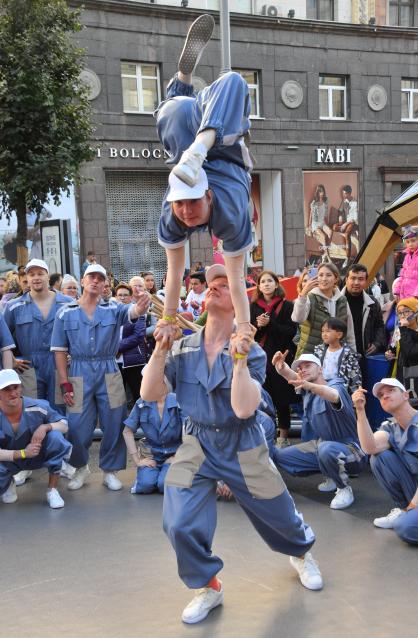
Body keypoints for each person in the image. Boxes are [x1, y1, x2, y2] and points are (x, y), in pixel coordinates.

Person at [141, 262, 322, 626]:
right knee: (177, 522)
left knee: (278, 511)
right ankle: (207, 585)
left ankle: (301, 553)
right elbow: (150, 392)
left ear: (241, 299)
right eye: (210, 284)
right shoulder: (185, 347)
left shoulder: (251, 351)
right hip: (196, 442)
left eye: (224, 284)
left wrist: (239, 362)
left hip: (242, 442)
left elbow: (243, 408)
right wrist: (160, 350)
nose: (213, 288)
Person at [154, 14, 254, 356]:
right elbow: (173, 271)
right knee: (174, 110)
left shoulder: (230, 210)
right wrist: (167, 317)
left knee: (235, 82)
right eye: (179, 204)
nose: (185, 212)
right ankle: (183, 80)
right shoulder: (173, 212)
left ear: (207, 196)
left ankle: (198, 143)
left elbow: (238, 279)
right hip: (195, 153)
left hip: (220, 153)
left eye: (192, 204)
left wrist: (244, 327)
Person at [51, 264, 150, 492]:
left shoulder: (113, 308)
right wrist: (64, 383)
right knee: (76, 424)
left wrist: (141, 306)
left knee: (114, 420)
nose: (95, 281)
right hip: (78, 370)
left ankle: (110, 471)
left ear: (105, 283)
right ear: (83, 281)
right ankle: (80, 467)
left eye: (100, 278)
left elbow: (132, 312)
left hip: (109, 369)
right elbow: (58, 350)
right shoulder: (65, 312)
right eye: (91, 277)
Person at [272, 352, 367, 509]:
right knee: (280, 455)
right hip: (323, 445)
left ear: (321, 369)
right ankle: (331, 473)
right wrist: (281, 368)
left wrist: (310, 386)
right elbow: (293, 377)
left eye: (308, 366)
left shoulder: (336, 385)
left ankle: (343, 488)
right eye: (300, 368)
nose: (303, 370)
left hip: (352, 450)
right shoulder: (307, 389)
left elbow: (333, 395)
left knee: (326, 449)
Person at [352, 379, 418, 545]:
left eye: (391, 390)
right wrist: (360, 411)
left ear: (406, 395)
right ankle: (404, 510)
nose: (384, 395)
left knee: (406, 528)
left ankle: (409, 514)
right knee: (380, 458)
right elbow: (370, 448)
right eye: (380, 395)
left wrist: (412, 507)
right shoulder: (390, 426)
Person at [4, 259, 72, 412]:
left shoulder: (68, 304)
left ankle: (58, 437)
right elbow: (3, 338)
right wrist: (12, 360)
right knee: (33, 411)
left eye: (40, 273)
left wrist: (74, 354)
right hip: (28, 367)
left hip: (59, 365)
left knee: (60, 410)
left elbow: (80, 334)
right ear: (26, 279)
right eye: (32, 274)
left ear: (48, 277)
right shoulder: (14, 306)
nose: (36, 277)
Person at [0, 369, 71, 509]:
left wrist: (46, 427)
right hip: (9, 460)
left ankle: (52, 490)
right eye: (6, 389)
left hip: (38, 455)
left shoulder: (38, 406)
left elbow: (64, 425)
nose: (13, 393)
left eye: (16, 387)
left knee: (56, 437)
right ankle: (8, 482)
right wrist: (22, 453)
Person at [250, 270, 298, 447]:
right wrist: (259, 326)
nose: (266, 284)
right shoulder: (253, 306)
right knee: (262, 397)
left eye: (270, 281)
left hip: (280, 358)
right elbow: (251, 334)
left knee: (281, 398)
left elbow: (291, 332)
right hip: (259, 359)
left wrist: (270, 324)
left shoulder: (287, 306)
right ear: (259, 286)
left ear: (277, 284)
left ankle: (283, 437)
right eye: (263, 282)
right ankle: (267, 433)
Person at [123, 390, 183, 494]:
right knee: (145, 486)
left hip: (174, 454)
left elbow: (190, 432)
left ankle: (168, 476)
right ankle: (155, 477)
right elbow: (127, 431)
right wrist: (137, 461)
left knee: (164, 485)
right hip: (151, 455)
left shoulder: (178, 402)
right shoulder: (141, 403)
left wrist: (179, 456)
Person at [292, 261, 355, 357]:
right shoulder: (310, 297)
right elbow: (297, 318)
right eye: (320, 275)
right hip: (310, 355)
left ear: (336, 278)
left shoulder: (342, 300)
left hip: (336, 355)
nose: (324, 279)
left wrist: (353, 353)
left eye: (328, 275)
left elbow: (350, 331)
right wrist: (303, 294)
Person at [342, 264, 386, 362]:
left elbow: (379, 325)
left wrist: (377, 343)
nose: (356, 282)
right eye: (353, 278)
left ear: (366, 281)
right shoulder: (336, 301)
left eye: (361, 279)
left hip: (366, 356)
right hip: (342, 356)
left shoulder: (372, 303)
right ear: (346, 279)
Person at [314, 318, 362, 395]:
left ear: (339, 335)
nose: (324, 334)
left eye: (328, 331)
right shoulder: (319, 351)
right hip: (321, 387)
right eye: (323, 331)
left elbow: (355, 375)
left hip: (339, 390)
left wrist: (356, 393)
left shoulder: (349, 355)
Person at [392, 226, 418, 311]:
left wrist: (417, 297)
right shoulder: (407, 256)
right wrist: (397, 291)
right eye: (407, 242)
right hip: (407, 299)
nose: (410, 244)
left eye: (413, 240)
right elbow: (402, 276)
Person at [334, 185, 359, 267]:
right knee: (334, 227)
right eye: (342, 193)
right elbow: (340, 212)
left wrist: (344, 224)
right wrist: (340, 221)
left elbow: (354, 219)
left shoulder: (355, 202)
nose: (343, 195)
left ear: (349, 193)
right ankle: (342, 228)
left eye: (344, 194)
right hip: (346, 222)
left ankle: (347, 258)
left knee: (347, 234)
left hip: (354, 223)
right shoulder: (344, 201)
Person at [306, 184, 331, 251]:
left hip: (322, 223)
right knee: (324, 236)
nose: (322, 193)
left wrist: (328, 224)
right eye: (320, 191)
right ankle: (327, 256)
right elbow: (311, 214)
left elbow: (326, 214)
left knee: (330, 232)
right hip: (315, 224)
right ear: (318, 192)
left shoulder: (325, 201)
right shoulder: (314, 202)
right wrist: (309, 226)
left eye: (323, 191)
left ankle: (325, 251)